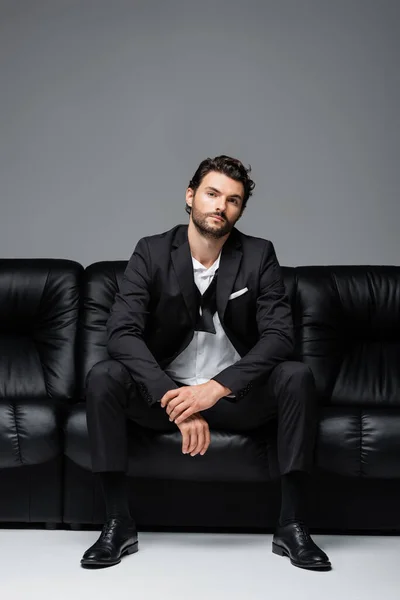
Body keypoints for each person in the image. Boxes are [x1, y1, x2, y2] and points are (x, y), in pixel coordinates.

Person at [81, 155, 331, 571]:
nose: (221, 206)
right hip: (167, 395)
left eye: (233, 200)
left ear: (240, 210)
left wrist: (216, 388)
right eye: (212, 194)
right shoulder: (152, 251)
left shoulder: (258, 254)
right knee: (104, 377)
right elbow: (121, 333)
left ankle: (292, 526)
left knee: (296, 375)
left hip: (235, 398)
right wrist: (173, 399)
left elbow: (278, 338)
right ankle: (116, 523)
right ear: (191, 195)